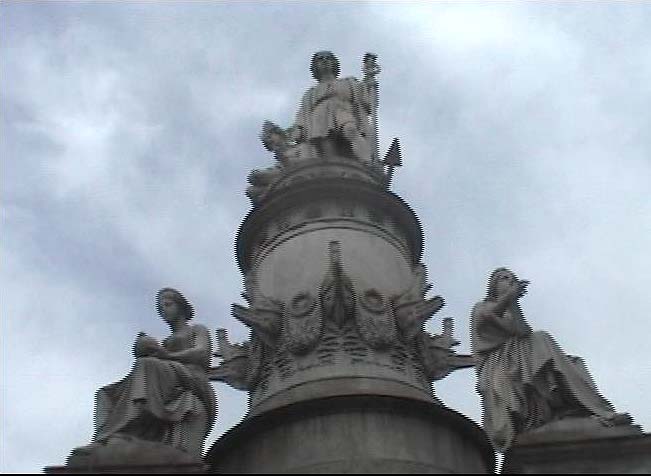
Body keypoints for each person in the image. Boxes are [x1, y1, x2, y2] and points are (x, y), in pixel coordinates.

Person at [471, 268, 630, 452]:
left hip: (519, 354)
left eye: (513, 279)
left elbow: (523, 332)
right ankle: (590, 410)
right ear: (493, 286)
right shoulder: (481, 307)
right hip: (497, 362)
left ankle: (594, 410)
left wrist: (513, 304)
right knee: (541, 339)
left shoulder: (510, 309)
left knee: (574, 362)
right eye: (504, 278)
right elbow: (487, 317)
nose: (510, 281)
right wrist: (509, 297)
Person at [82, 288, 216, 456]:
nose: (163, 311)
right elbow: (159, 361)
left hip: (191, 376)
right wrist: (146, 348)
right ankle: (103, 437)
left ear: (181, 306)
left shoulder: (197, 329)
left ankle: (124, 424)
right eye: (160, 309)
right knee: (106, 393)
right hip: (168, 375)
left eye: (168, 305)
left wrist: (167, 355)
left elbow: (202, 354)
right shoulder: (165, 343)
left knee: (146, 364)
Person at [291, 51, 373, 162]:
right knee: (326, 145)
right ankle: (334, 167)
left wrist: (369, 81)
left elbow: (365, 99)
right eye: (320, 59)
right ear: (315, 66)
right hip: (319, 117)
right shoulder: (310, 93)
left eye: (328, 58)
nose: (324, 60)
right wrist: (298, 127)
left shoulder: (349, 82)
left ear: (334, 63)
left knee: (351, 130)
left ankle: (367, 162)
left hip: (342, 109)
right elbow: (303, 112)